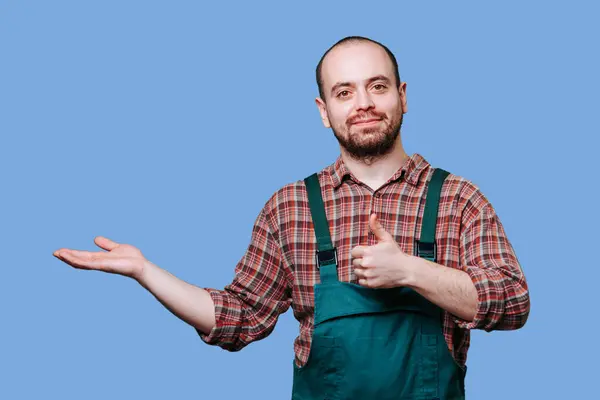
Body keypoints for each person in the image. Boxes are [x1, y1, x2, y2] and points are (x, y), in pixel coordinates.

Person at [53, 36, 530, 399]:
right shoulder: (292, 207)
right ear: (325, 111)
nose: (362, 103)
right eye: (344, 92)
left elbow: (513, 302)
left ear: (402, 96)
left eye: (377, 87)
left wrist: (411, 271)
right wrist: (145, 270)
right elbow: (238, 318)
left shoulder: (459, 199)